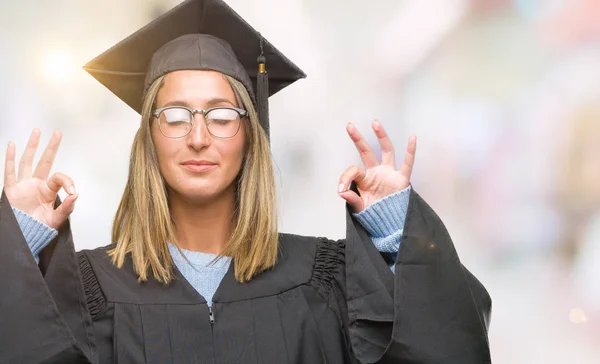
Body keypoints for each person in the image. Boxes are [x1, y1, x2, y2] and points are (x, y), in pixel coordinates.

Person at [0, 0, 491, 363]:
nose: (197, 137)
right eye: (174, 116)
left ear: (250, 136)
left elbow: (450, 343)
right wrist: (19, 241)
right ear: (148, 138)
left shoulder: (327, 281)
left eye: (221, 115)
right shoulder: (88, 292)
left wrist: (393, 227)